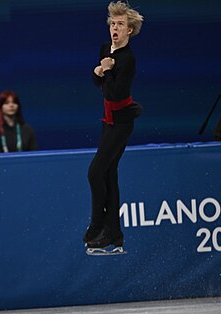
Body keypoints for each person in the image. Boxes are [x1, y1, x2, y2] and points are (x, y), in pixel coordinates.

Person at [84, 1, 144, 253]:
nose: (115, 28)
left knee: (95, 173)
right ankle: (115, 236)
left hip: (121, 123)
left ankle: (98, 228)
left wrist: (105, 72)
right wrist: (99, 72)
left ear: (129, 30)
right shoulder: (104, 49)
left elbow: (115, 93)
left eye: (120, 24)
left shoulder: (128, 59)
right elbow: (99, 84)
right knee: (108, 174)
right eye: (112, 24)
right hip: (109, 121)